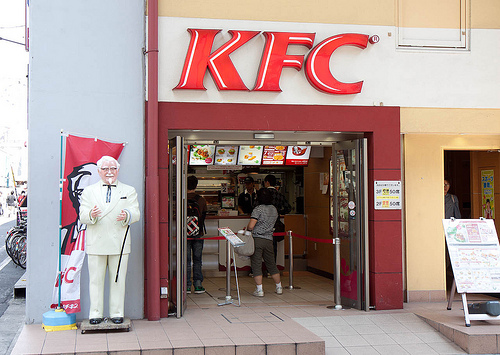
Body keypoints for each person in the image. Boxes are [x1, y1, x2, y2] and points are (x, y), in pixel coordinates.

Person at [79, 156, 140, 325]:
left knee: (118, 280)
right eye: (105, 169)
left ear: (118, 170)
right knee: (95, 281)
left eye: (112, 168)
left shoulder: (129, 190)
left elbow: (136, 212)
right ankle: (95, 313)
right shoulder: (89, 191)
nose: (109, 172)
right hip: (96, 242)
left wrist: (127, 215)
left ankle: (117, 312)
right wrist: (91, 215)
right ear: (98, 171)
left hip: (119, 242)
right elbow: (82, 214)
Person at [247, 187, 283, 297]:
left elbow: (251, 226)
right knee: (271, 264)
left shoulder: (258, 209)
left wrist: (247, 229)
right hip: (269, 240)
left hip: (258, 239)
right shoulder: (274, 209)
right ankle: (279, 287)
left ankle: (259, 290)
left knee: (257, 264)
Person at [186, 175, 208, 294]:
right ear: (196, 185)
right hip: (198, 233)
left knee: (187, 260)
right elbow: (204, 215)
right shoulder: (201, 199)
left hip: (184, 235)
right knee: (198, 259)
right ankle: (198, 285)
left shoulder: (181, 198)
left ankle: (187, 286)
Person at [263, 174, 291, 264]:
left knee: (261, 246)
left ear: (267, 182)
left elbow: (255, 207)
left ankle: (259, 269)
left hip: (262, 223)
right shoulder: (279, 195)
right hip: (275, 223)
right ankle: (271, 269)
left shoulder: (262, 194)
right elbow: (288, 208)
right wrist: (279, 212)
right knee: (273, 246)